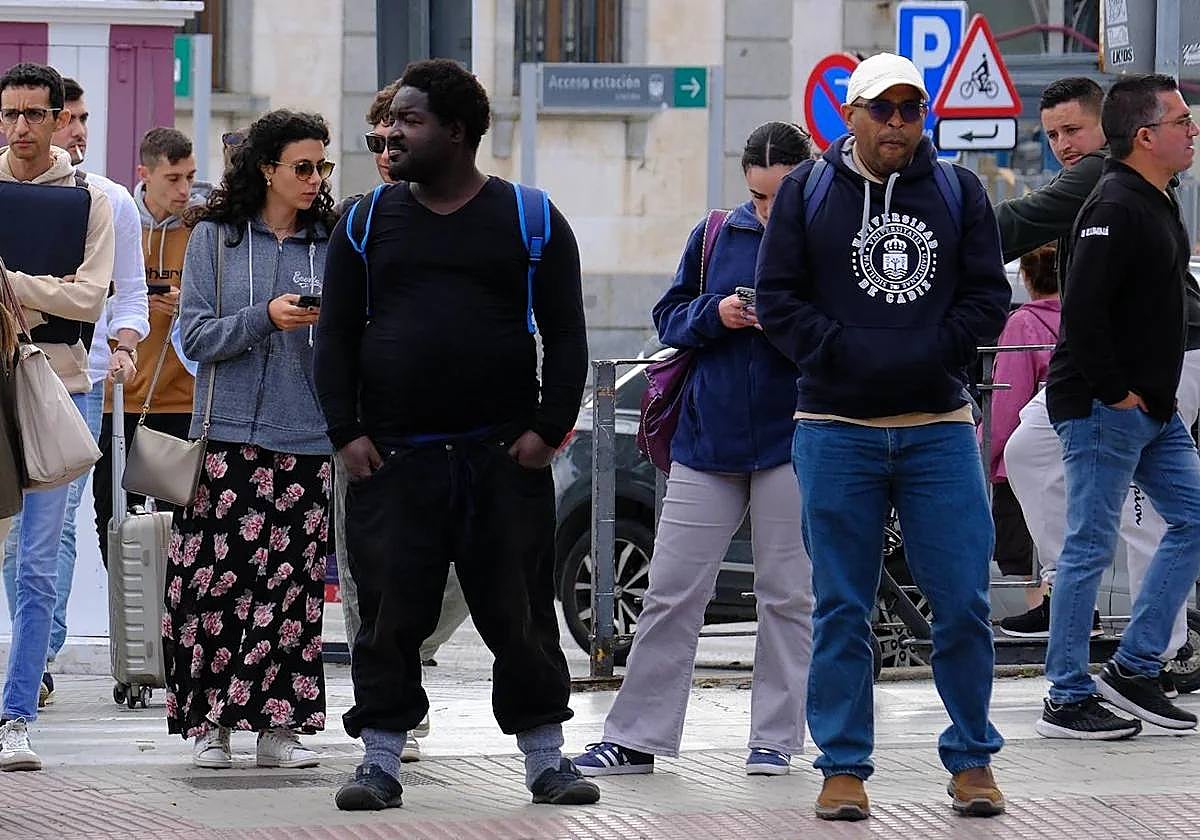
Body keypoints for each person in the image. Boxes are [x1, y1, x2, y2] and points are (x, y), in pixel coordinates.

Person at [315, 59, 596, 810]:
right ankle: (379, 761)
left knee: (523, 612)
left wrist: (548, 430)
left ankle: (546, 760)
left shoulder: (530, 218)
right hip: (393, 461)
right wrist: (346, 433)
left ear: (457, 131)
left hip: (500, 458)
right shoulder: (365, 220)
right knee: (386, 616)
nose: (389, 132)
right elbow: (333, 338)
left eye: (408, 120)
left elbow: (568, 337)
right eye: (388, 122)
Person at [755, 53, 1009, 820]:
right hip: (835, 430)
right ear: (852, 114)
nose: (898, 122)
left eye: (911, 108)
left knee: (963, 602)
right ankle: (843, 768)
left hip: (938, 428)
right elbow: (778, 300)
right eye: (883, 108)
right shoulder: (806, 190)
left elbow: (987, 297)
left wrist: (930, 351)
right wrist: (844, 351)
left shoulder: (962, 191)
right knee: (841, 606)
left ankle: (972, 761)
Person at [573, 122, 814, 779]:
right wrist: (717, 313)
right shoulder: (714, 234)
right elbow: (669, 317)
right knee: (672, 592)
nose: (766, 211)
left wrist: (784, 321)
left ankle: (776, 739)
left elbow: (841, 338)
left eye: (780, 197)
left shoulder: (825, 238)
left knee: (787, 595)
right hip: (707, 442)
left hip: (794, 441)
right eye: (757, 196)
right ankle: (634, 737)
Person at [998, 78, 1197, 680]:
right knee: (1053, 478)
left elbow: (1017, 225)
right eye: (1052, 133)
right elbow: (1081, 309)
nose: (1062, 144)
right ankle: (1094, 661)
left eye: (1072, 130)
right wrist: (1119, 393)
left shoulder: (1113, 184)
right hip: (1117, 387)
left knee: (1145, 520)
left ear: (1106, 128)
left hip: (1149, 378)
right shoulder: (1115, 192)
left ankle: (1149, 653)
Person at [165, 109, 336, 770]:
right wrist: (264, 318)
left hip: (308, 439)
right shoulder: (216, 239)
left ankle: (278, 729)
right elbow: (198, 337)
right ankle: (212, 726)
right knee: (215, 584)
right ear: (267, 168)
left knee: (289, 592)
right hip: (225, 437)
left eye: (320, 166)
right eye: (301, 166)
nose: (313, 179)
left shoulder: (328, 242)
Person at [328, 83, 472, 763]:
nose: (389, 151)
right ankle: (388, 706)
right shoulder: (358, 219)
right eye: (376, 141)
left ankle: (405, 658)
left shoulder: (470, 212)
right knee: (367, 576)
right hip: (368, 426)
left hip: (456, 428)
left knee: (468, 572)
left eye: (400, 136)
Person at [0, 75, 149, 708]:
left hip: (63, 379)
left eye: (35, 114)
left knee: (42, 552)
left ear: (58, 118)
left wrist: (8, 282)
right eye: (11, 114)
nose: (21, 127)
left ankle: (21, 703)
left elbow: (95, 297)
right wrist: (46, 287)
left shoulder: (99, 199)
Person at [92, 127, 211, 569]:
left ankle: (169, 624)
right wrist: (132, 298)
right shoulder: (114, 220)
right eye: (173, 178)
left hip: (182, 398)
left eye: (190, 177)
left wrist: (188, 304)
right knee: (112, 517)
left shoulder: (202, 229)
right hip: (117, 398)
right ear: (144, 174)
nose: (184, 190)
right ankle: (127, 616)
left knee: (182, 522)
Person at [983, 244, 1059, 606]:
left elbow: (1007, 401)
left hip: (1023, 469)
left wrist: (982, 450)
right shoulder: (1083, 318)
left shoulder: (1023, 324)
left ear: (1026, 278)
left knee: (1029, 569)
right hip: (1072, 456)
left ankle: (1046, 632)